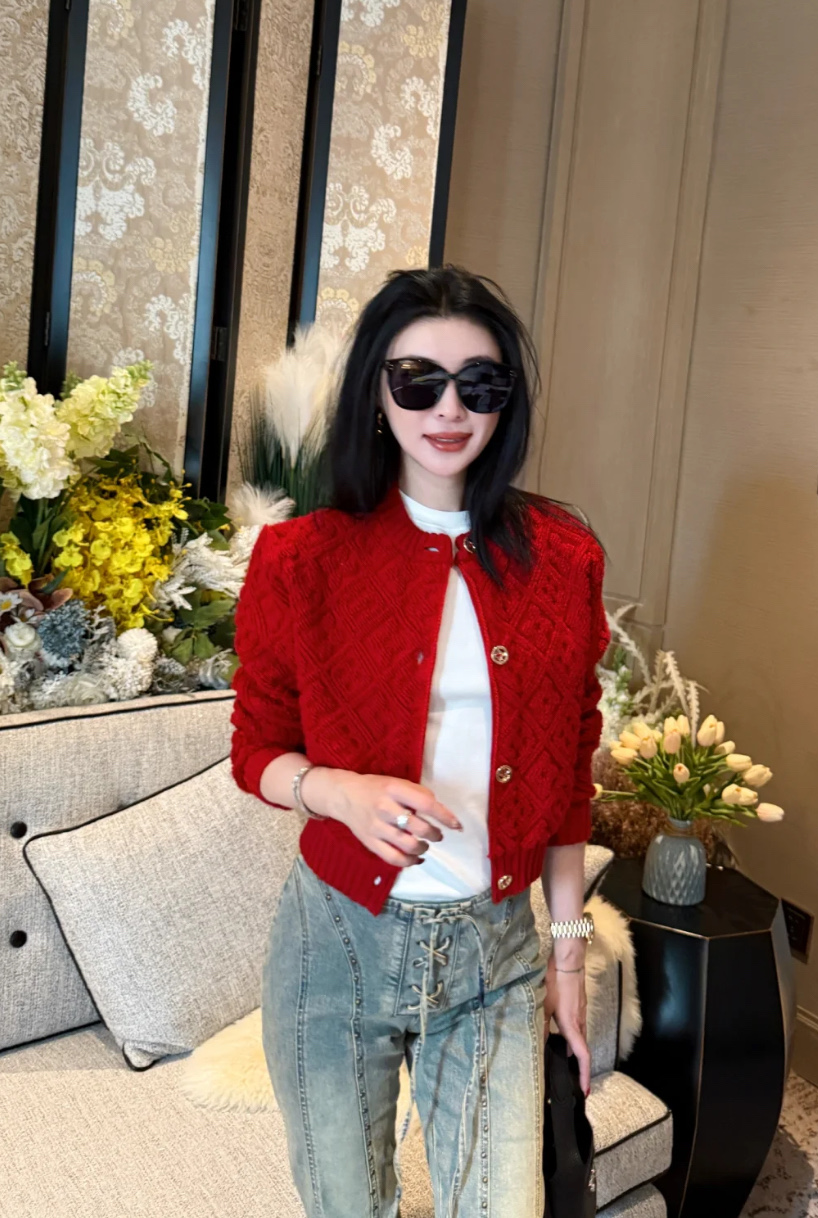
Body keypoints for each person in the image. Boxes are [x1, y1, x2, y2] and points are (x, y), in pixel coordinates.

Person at [230, 264, 610, 1218]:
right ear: (376, 390)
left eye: (479, 384)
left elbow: (569, 777)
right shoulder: (301, 558)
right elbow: (256, 751)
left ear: (506, 401)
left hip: (495, 957)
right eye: (417, 381)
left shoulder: (563, 558)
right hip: (336, 948)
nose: (449, 409)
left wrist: (568, 958)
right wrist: (341, 791)